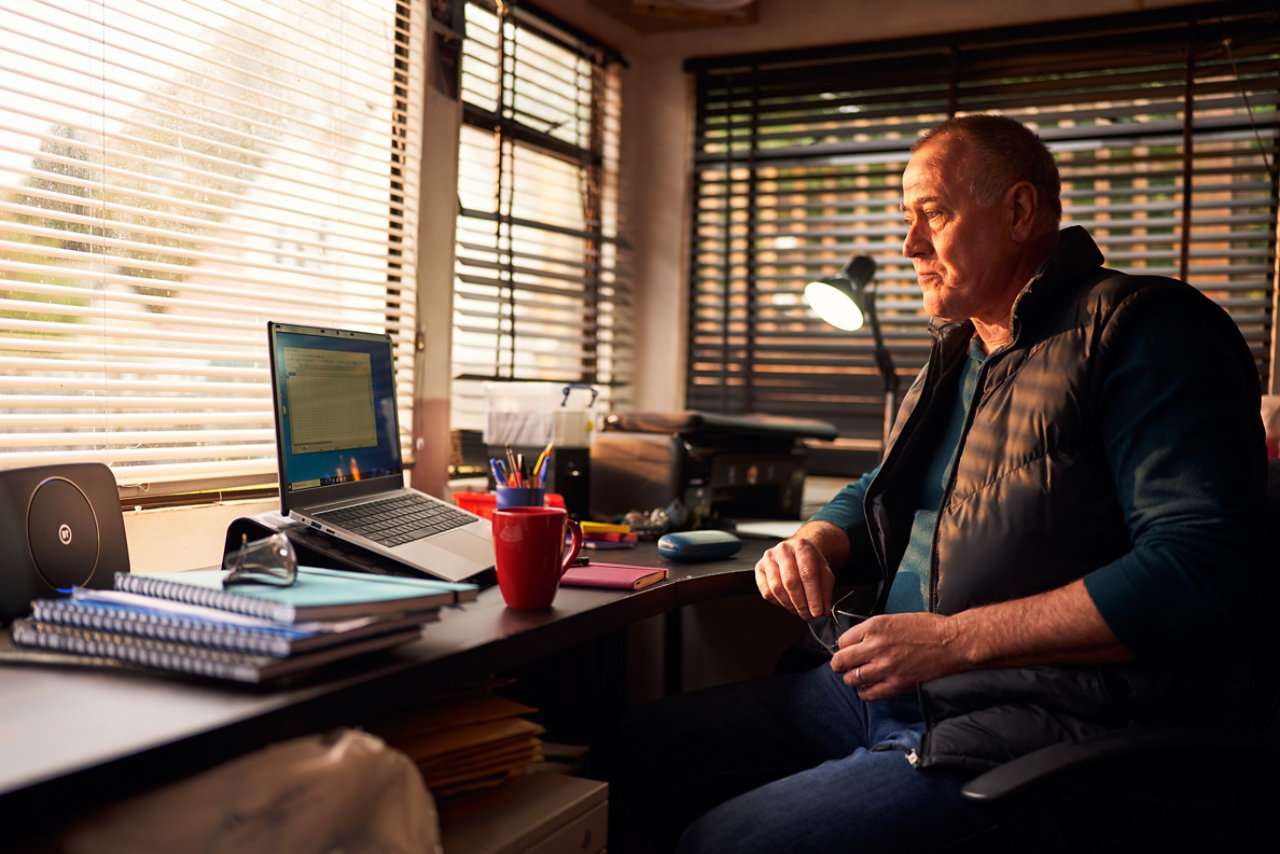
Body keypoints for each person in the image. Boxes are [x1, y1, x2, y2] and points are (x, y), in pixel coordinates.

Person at [612, 114, 1266, 852]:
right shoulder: (959, 354)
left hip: (1031, 714)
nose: (909, 246)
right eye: (905, 220)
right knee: (637, 750)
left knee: (727, 842)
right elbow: (887, 483)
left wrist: (954, 641)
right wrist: (818, 539)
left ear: (1019, 212)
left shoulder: (1141, 332)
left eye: (935, 214)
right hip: (885, 690)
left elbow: (1200, 570)